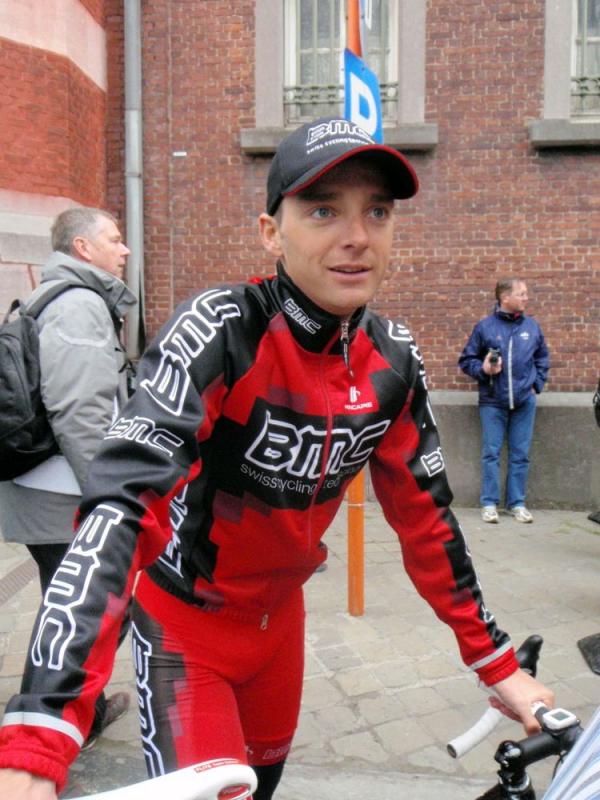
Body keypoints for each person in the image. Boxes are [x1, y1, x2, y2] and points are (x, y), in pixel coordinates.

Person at [0, 118, 554, 800]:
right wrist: (43, 724)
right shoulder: (220, 329)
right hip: (184, 636)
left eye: (377, 212)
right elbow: (120, 507)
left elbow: (428, 522)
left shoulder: (395, 358)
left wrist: (496, 663)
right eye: (323, 211)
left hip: (279, 633)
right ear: (271, 232)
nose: (357, 236)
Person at [0, 207, 137, 748]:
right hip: (62, 492)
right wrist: (108, 494)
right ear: (83, 248)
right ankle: (38, 727)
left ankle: (81, 713)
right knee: (92, 609)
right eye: (114, 239)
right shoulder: (79, 304)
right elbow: (80, 410)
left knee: (73, 606)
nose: (124, 250)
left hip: (45, 485)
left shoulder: (52, 296)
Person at [458, 278, 550, 524]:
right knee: (491, 453)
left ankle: (517, 503)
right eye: (522, 294)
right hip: (492, 401)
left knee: (520, 454)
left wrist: (536, 385)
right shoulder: (485, 327)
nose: (526, 298)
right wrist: (484, 369)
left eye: (526, 293)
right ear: (505, 298)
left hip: (524, 401)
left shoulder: (532, 327)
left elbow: (542, 358)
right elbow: (466, 360)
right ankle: (489, 503)